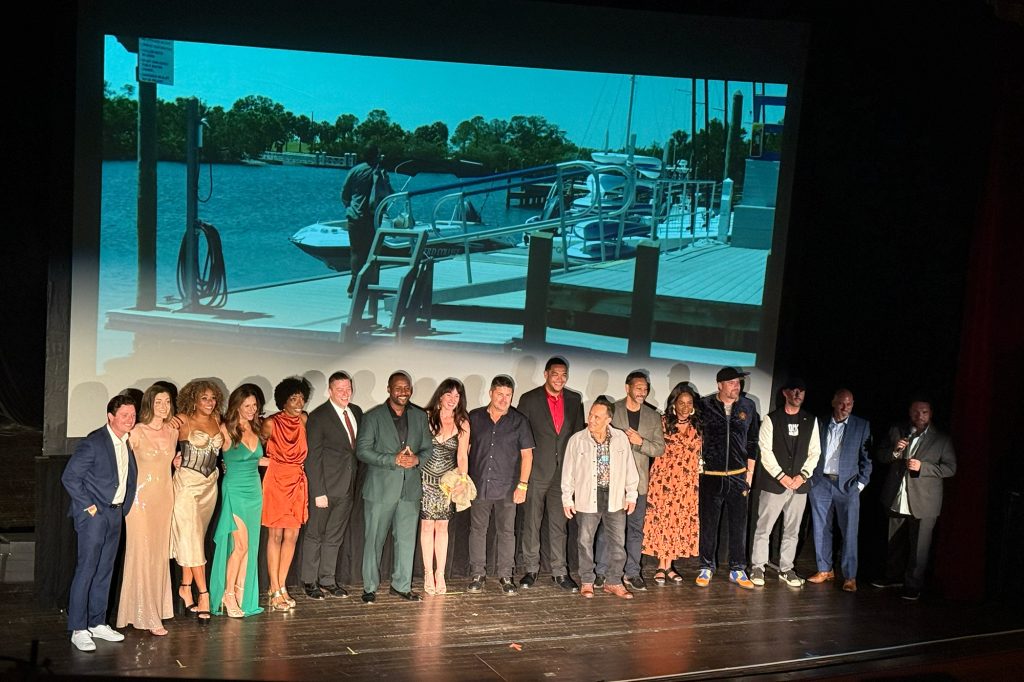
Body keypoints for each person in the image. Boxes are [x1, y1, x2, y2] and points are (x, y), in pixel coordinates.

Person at [63, 394, 138, 652]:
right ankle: (78, 628)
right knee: (87, 570)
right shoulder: (94, 442)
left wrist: (122, 507)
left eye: (133, 415)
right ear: (110, 417)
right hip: (95, 517)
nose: (130, 419)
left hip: (116, 514)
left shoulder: (126, 442)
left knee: (105, 570)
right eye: (125, 415)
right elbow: (70, 477)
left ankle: (97, 622)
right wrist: (91, 507)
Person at [357, 371, 432, 603]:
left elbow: (428, 449)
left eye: (407, 387)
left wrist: (416, 460)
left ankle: (401, 585)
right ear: (389, 389)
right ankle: (369, 587)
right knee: (374, 540)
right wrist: (393, 460)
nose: (403, 392)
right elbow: (362, 450)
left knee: (407, 540)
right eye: (398, 388)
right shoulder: (373, 417)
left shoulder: (420, 417)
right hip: (380, 490)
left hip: (409, 489)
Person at [874, 398, 956, 600]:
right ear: (910, 413)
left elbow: (950, 468)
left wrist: (924, 468)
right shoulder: (897, 431)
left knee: (919, 548)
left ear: (931, 414)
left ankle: (913, 585)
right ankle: (893, 577)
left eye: (925, 412)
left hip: (924, 502)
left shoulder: (941, 440)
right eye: (916, 412)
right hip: (897, 497)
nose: (920, 416)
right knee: (894, 542)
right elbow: (881, 456)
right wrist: (895, 451)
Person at [517, 356, 585, 592]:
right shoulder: (529, 399)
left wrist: (576, 472)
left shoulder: (575, 400)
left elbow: (578, 439)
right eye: (555, 374)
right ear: (546, 374)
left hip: (564, 473)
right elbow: (521, 436)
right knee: (532, 523)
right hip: (536, 470)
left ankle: (560, 572)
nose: (560, 379)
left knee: (560, 525)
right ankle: (531, 569)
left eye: (564, 374)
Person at [116, 385, 179, 636]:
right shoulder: (137, 431)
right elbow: (120, 460)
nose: (164, 406)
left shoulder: (173, 431)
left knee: (158, 556)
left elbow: (168, 464)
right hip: (140, 501)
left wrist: (176, 463)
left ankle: (157, 608)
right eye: (159, 402)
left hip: (164, 498)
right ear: (149, 404)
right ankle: (145, 615)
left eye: (167, 402)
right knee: (141, 554)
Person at [562, 398, 639, 600]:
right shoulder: (577, 439)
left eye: (597, 416)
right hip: (588, 497)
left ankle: (613, 582)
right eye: (590, 415)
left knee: (618, 544)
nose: (592, 419)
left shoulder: (620, 438)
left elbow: (630, 467)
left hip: (614, 497)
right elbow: (568, 472)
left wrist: (631, 494)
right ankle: (587, 581)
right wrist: (567, 499)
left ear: (608, 419)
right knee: (585, 542)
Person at [595, 371, 665, 591]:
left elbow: (660, 449)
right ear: (627, 388)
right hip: (612, 482)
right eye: (638, 388)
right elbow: (597, 437)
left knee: (635, 530)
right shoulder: (613, 412)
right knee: (608, 530)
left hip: (639, 484)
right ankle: (601, 572)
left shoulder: (653, 416)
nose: (643, 392)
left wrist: (639, 441)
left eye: (645, 389)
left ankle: (632, 573)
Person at [466, 375, 535, 596]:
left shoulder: (519, 421)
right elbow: (464, 451)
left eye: (508, 395)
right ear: (491, 393)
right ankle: (478, 574)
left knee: (507, 532)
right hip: (479, 485)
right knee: (478, 530)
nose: (504, 399)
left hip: (508, 487)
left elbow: (527, 455)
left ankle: (506, 576)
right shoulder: (474, 417)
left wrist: (522, 485)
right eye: (500, 395)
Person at [749, 379, 821, 588]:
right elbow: (766, 451)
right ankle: (757, 566)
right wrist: (781, 476)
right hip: (774, 484)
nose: (798, 395)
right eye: (794, 391)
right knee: (764, 528)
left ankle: (786, 568)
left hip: (799, 486)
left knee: (792, 530)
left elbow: (815, 451)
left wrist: (803, 475)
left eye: (802, 391)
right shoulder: (772, 419)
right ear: (785, 393)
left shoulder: (811, 420)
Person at [696, 367, 760, 589]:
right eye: (732, 382)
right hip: (710, 476)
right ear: (720, 385)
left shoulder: (748, 406)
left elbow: (752, 443)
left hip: (738, 476)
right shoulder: (704, 405)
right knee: (709, 524)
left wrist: (749, 475)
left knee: (739, 525)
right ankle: (706, 566)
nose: (737, 386)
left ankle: (738, 569)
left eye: (738, 382)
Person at [301, 371, 362, 600]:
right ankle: (310, 581)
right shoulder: (318, 417)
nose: (345, 393)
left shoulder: (355, 412)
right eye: (340, 390)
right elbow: (313, 457)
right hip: (325, 489)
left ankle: (327, 579)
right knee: (315, 535)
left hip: (347, 488)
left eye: (348, 389)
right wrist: (318, 492)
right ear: (330, 391)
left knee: (334, 537)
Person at [209, 384, 268, 617]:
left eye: (254, 405)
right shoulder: (225, 429)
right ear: (237, 406)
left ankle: (241, 591)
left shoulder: (256, 427)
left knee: (249, 547)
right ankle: (227, 594)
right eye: (247, 405)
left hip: (255, 491)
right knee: (240, 546)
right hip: (234, 490)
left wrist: (285, 465)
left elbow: (257, 461)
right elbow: (208, 453)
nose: (252, 409)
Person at [807, 389, 872, 592]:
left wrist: (859, 485)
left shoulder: (862, 426)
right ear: (833, 402)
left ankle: (850, 576)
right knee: (821, 528)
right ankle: (824, 569)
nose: (845, 408)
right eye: (842, 403)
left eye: (849, 404)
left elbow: (867, 459)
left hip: (848, 486)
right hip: (821, 483)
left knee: (849, 531)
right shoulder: (820, 422)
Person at [171, 379, 224, 621]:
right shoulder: (181, 420)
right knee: (192, 538)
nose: (209, 402)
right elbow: (160, 443)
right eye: (204, 398)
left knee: (194, 538)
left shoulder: (217, 419)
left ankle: (184, 587)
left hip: (209, 487)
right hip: (187, 486)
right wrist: (171, 460)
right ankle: (203, 594)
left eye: (212, 398)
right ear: (193, 399)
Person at [642, 382, 702, 585]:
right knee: (663, 521)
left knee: (678, 522)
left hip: (687, 483)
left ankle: (670, 566)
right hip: (663, 480)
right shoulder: (662, 422)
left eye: (689, 403)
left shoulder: (698, 425)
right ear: (674, 404)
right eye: (681, 402)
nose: (685, 407)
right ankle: (661, 565)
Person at [261, 376, 312, 611]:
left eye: (301, 397)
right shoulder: (271, 423)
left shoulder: (304, 420)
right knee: (275, 536)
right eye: (294, 398)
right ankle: (274, 589)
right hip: (276, 481)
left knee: (291, 536)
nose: (299, 402)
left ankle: (281, 586)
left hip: (297, 481)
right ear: (284, 400)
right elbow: (253, 448)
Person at [420, 378, 470, 595]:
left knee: (442, 527)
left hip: (446, 484)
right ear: (440, 395)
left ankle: (440, 573)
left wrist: (463, 481)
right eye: (449, 394)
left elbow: (462, 456)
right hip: (424, 481)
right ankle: (427, 573)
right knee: (426, 527)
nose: (452, 399)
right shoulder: (426, 417)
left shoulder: (463, 423)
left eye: (457, 396)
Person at [341, 144, 393, 295]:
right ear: (376, 156)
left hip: (354, 217)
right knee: (373, 252)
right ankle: (371, 285)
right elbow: (389, 194)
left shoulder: (355, 170)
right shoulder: (381, 173)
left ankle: (354, 285)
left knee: (356, 252)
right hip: (373, 218)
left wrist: (350, 207)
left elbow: (344, 194)